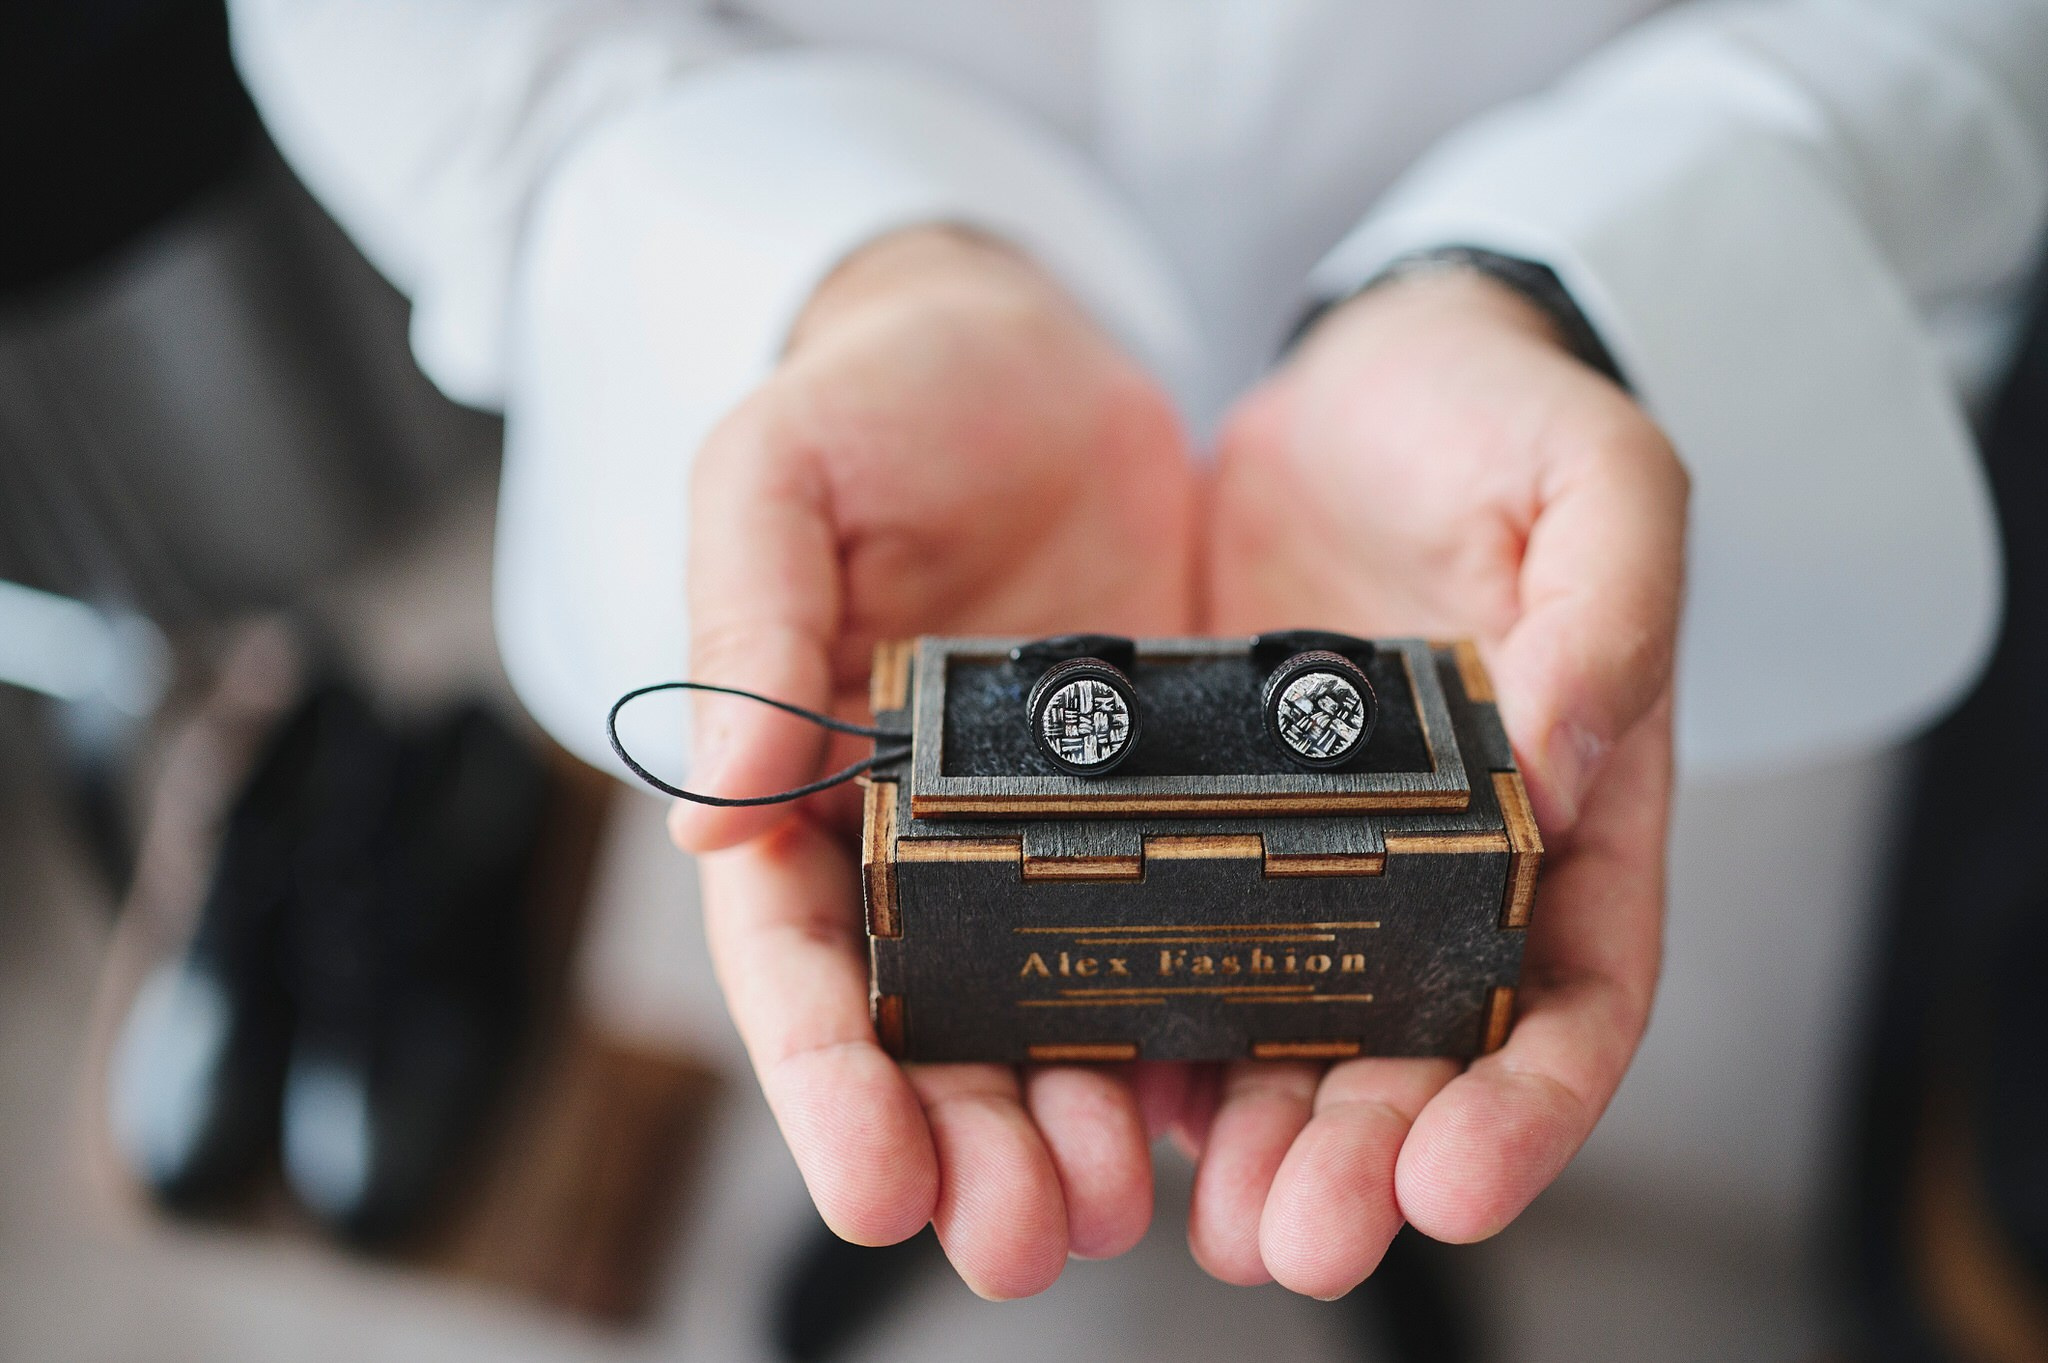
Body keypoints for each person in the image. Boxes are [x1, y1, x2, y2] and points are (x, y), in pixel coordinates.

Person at [225, 0, 2047, 1309]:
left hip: (1504, 481)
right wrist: (849, 273)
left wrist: (1561, 282)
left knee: (1418, 1048)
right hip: (853, 372)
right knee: (992, 1070)